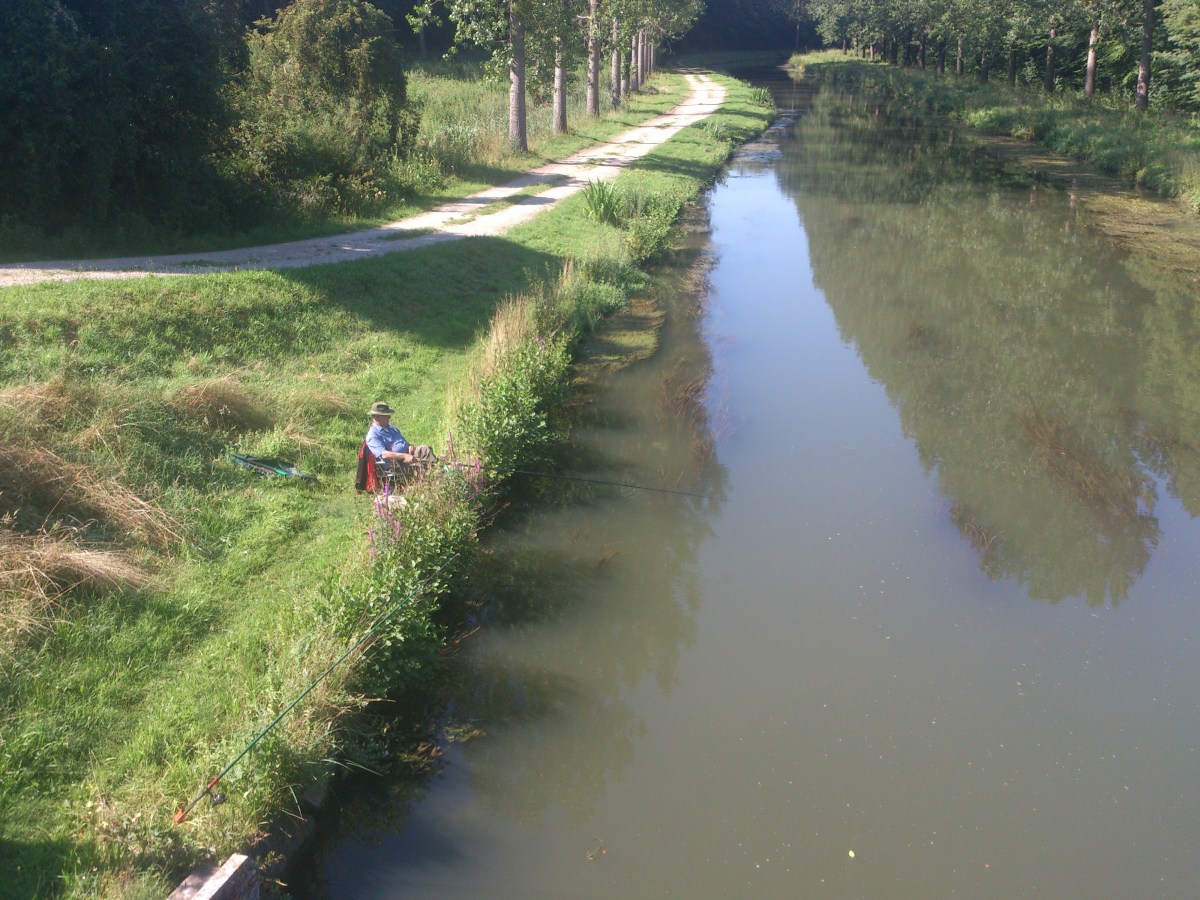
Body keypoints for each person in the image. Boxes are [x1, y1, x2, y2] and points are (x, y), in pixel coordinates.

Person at [365, 401, 415, 469]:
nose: (389, 417)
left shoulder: (392, 428)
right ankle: (426, 476)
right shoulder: (373, 435)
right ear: (377, 417)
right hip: (396, 464)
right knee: (419, 462)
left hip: (409, 455)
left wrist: (410, 446)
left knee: (424, 449)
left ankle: (430, 473)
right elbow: (384, 454)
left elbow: (402, 442)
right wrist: (405, 456)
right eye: (386, 415)